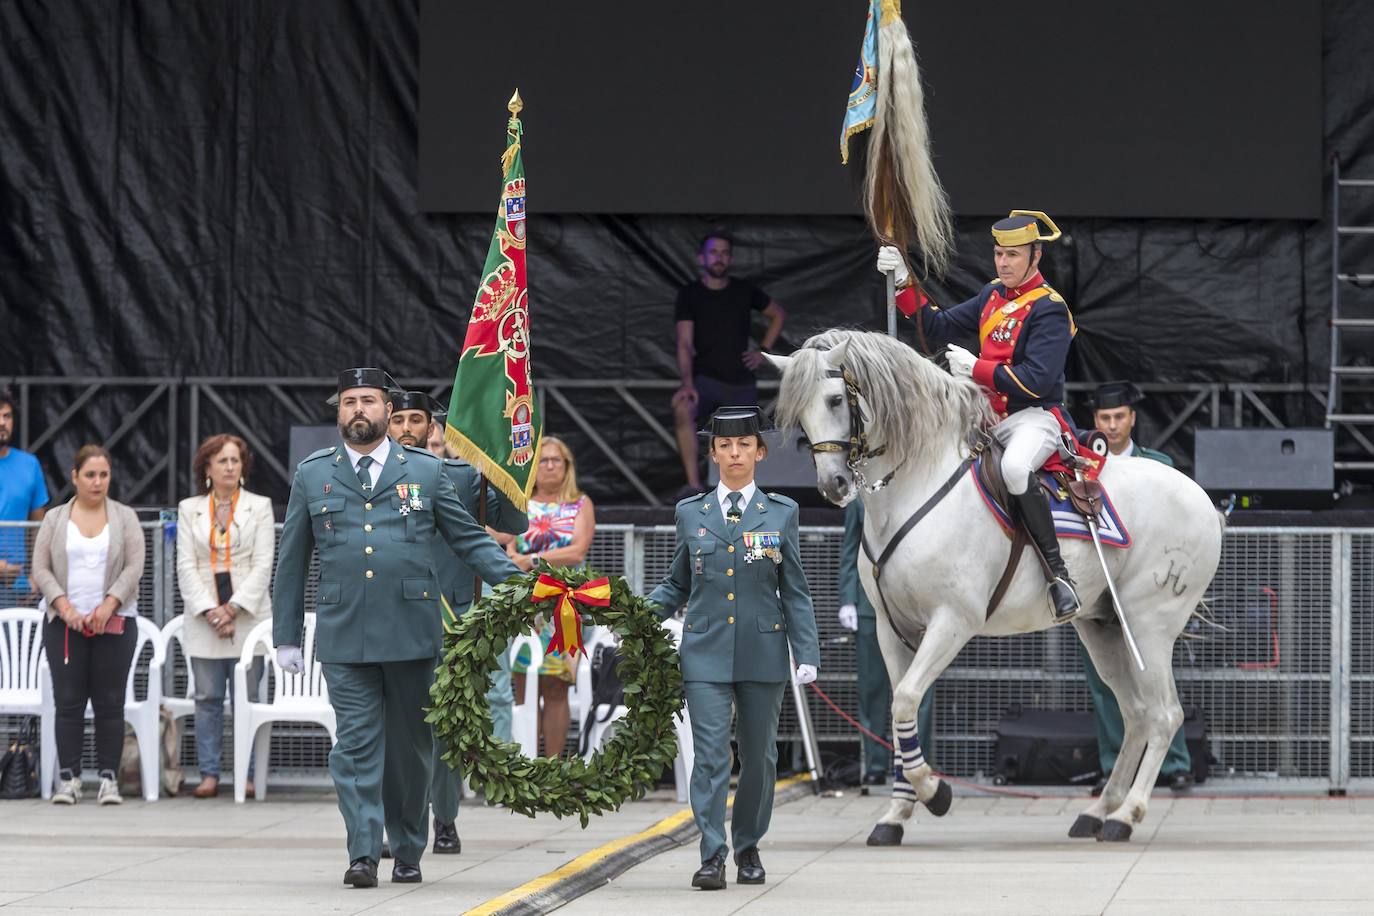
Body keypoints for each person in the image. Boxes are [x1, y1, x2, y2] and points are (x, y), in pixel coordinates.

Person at [273, 368, 520, 889]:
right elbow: (292, 559)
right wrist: (286, 635)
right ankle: (363, 851)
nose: (357, 410)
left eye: (368, 401)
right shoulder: (313, 473)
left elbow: (470, 540)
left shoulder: (427, 472)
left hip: (412, 631)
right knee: (355, 746)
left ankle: (408, 845)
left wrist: (520, 583)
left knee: (410, 751)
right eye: (348, 402)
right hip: (345, 634)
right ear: (338, 412)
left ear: (387, 410)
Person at [648, 407, 820, 891]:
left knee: (760, 757)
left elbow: (796, 590)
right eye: (725, 446)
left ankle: (748, 846)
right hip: (704, 650)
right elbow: (675, 584)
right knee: (709, 757)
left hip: (763, 651)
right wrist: (636, 616)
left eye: (744, 445)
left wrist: (807, 651)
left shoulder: (782, 512)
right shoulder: (691, 513)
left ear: (760, 452)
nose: (735, 453)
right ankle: (711, 854)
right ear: (713, 453)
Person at [878, 209, 1081, 621]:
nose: (1003, 263)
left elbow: (1037, 381)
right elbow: (936, 327)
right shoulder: (991, 295)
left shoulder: (1050, 309)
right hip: (987, 418)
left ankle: (1058, 576)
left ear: (1035, 255)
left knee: (1015, 470)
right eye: (998, 254)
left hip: (1034, 416)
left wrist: (977, 369)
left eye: (1013, 255)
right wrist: (903, 280)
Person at [391, 389, 527, 855]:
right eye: (399, 419)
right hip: (389, 618)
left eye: (417, 420)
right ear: (386, 424)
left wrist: (502, 468)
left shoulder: (459, 477)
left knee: (440, 728)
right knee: (393, 729)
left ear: (433, 429)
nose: (407, 428)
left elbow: (513, 520)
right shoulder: (363, 480)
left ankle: (444, 818)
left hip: (449, 619)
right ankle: (391, 825)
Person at [1085, 381, 1192, 792]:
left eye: (1119, 417)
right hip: (1098, 582)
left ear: (1133, 418)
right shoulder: (1083, 466)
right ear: (1094, 422)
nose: (1112, 427)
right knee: (1105, 679)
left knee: (1156, 669)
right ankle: (1117, 766)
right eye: (1104, 419)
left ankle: (1174, 763)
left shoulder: (1157, 463)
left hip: (1146, 581)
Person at [31, 445, 143, 806]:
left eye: (104, 475)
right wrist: (64, 606)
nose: (97, 482)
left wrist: (110, 604)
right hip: (64, 624)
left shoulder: (125, 517)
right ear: (74, 477)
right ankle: (70, 779)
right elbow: (41, 567)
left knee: (110, 702)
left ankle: (108, 779)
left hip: (114, 623)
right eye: (90, 475)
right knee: (68, 702)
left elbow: (134, 566)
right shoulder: (55, 519)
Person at [175, 434, 275, 799]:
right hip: (204, 618)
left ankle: (245, 775)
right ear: (207, 468)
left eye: (235, 460)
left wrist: (233, 608)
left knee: (246, 698)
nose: (230, 467)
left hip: (248, 615)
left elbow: (264, 564)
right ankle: (209, 773)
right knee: (207, 697)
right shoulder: (189, 509)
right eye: (222, 461)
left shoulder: (260, 507)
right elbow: (186, 565)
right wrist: (212, 612)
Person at [672, 230, 786, 496]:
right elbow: (684, 343)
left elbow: (778, 314)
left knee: (743, 436)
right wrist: (687, 385)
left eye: (724, 253)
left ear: (731, 259)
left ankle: (741, 491)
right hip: (705, 380)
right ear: (702, 258)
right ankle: (693, 485)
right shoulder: (689, 294)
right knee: (681, 407)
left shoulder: (744, 290)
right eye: (713, 252)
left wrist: (762, 351)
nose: (719, 258)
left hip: (740, 381)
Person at [506, 436, 595, 757]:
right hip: (523, 607)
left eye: (557, 460)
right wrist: (516, 553)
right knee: (523, 687)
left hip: (563, 607)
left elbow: (577, 551)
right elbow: (504, 543)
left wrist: (532, 559)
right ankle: (524, 761)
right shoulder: (519, 503)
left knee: (556, 688)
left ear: (567, 466)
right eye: (543, 460)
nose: (550, 465)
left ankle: (552, 765)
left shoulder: (580, 504)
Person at [837, 499, 931, 786]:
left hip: (916, 605)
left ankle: (917, 762)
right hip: (871, 605)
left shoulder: (922, 493)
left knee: (920, 688)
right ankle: (875, 764)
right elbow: (850, 550)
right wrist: (848, 600)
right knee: (873, 689)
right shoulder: (860, 502)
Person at [0, 388, 49, 604]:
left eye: (7, 416)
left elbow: (39, 528)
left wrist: (35, 577)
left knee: (18, 639)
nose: (2, 422)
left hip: (15, 587)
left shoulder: (29, 465)